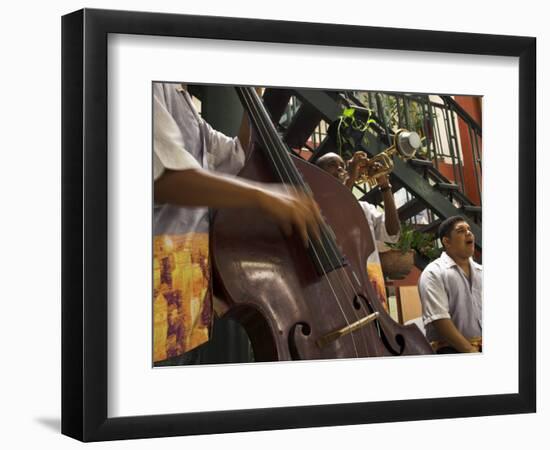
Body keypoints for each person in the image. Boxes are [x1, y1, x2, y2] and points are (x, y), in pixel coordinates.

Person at [153, 83, 321, 366]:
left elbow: (237, 153)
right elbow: (167, 177)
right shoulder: (152, 84)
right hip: (155, 298)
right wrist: (263, 197)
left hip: (187, 307)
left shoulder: (187, 108)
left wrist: (252, 92)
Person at [314, 151, 400, 309]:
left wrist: (384, 185)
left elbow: (392, 232)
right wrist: (351, 176)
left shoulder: (364, 207)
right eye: (332, 165)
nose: (340, 168)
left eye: (342, 165)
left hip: (374, 289)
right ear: (318, 175)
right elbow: (335, 217)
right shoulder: (315, 206)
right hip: (343, 293)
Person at [418, 215, 482, 353]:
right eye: (460, 231)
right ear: (447, 241)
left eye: (469, 229)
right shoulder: (433, 273)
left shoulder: (482, 271)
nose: (468, 233)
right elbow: (439, 319)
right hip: (450, 351)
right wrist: (470, 351)